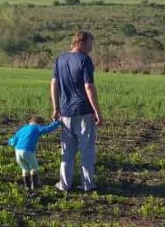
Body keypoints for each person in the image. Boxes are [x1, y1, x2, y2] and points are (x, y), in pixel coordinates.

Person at [51, 31, 103, 192]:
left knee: (67, 150)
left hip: (65, 111)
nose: (92, 46)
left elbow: (54, 83)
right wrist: (98, 112)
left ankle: (64, 184)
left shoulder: (60, 59)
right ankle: (88, 184)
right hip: (83, 111)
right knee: (87, 149)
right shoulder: (85, 60)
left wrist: (56, 108)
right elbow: (89, 86)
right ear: (81, 42)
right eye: (90, 42)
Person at [8, 115, 61, 190]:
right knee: (34, 167)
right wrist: (57, 123)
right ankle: (35, 185)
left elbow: (13, 140)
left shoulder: (23, 128)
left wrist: (10, 142)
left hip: (17, 152)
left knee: (25, 168)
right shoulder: (36, 127)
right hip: (28, 151)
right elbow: (47, 129)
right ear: (39, 124)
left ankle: (27, 186)